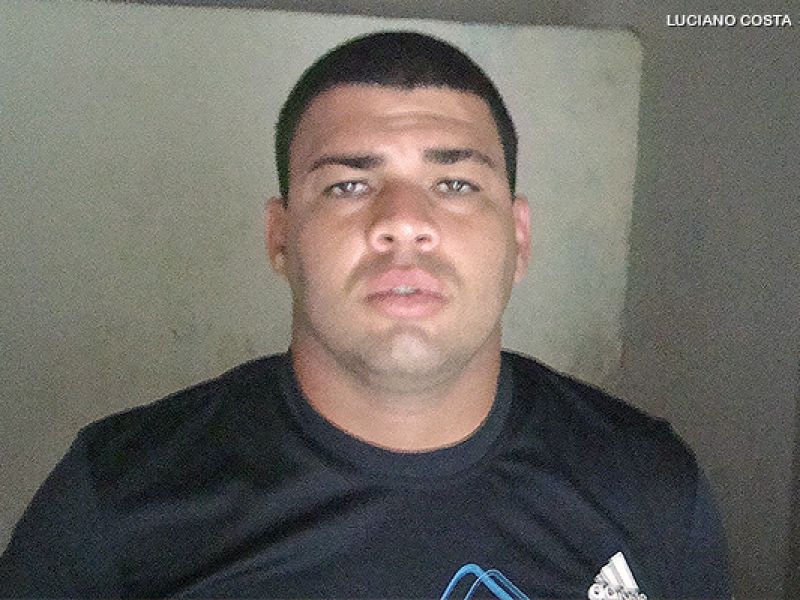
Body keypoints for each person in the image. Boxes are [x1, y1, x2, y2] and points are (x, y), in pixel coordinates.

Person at [0, 31, 729, 599]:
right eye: (349, 185)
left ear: (519, 239)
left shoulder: (652, 488)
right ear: (281, 238)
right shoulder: (114, 499)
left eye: (454, 183)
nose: (403, 222)